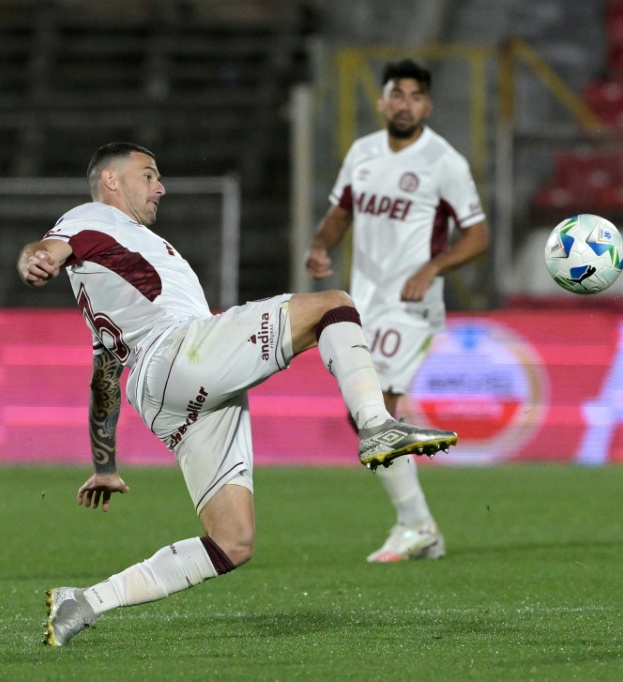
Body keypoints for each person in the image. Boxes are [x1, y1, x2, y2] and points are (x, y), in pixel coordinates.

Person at [20, 142, 459, 647]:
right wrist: (36, 261)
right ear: (112, 181)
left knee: (232, 542)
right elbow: (45, 250)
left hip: (163, 391)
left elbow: (104, 374)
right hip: (178, 352)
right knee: (333, 305)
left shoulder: (113, 263)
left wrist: (104, 463)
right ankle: (377, 425)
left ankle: (86, 601)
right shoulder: (91, 216)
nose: (160, 186)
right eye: (149, 174)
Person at [306, 59, 489, 563]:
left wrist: (434, 268)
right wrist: (321, 246)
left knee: (376, 409)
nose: (404, 104)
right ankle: (418, 524)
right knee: (363, 414)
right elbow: (340, 213)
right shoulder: (363, 153)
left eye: (415, 96)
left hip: (411, 307)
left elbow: (478, 236)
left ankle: (415, 524)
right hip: (363, 303)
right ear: (382, 101)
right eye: (396, 94)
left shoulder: (443, 161)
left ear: (427, 106)